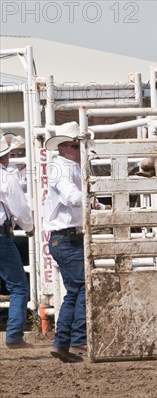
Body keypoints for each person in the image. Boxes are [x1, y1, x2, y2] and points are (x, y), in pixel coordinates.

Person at [45, 122, 109, 363]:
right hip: (66, 238)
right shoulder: (61, 169)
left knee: (75, 291)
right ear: (63, 148)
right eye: (75, 145)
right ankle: (79, 338)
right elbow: (72, 196)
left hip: (67, 238)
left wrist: (99, 205)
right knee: (84, 285)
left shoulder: (68, 167)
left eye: (80, 144)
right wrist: (97, 205)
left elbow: (75, 198)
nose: (79, 148)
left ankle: (63, 343)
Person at [0, 131, 35, 349]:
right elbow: (20, 207)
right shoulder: (5, 177)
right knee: (19, 287)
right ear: (5, 156)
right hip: (1, 236)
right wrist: (29, 227)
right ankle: (13, 334)